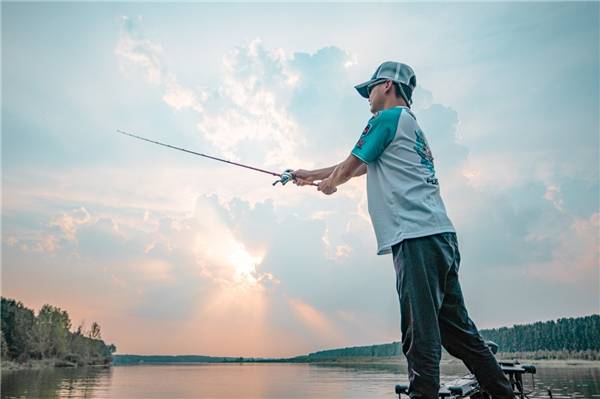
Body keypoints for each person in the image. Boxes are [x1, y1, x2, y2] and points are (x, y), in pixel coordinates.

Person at [293, 61, 515, 399]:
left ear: (387, 86)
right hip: (439, 236)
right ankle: (503, 393)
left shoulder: (384, 119)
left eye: (370, 87)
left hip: (417, 238)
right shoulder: (408, 126)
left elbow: (350, 166)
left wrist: (329, 185)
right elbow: (362, 164)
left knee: (420, 332)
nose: (367, 95)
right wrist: (311, 175)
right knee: (458, 333)